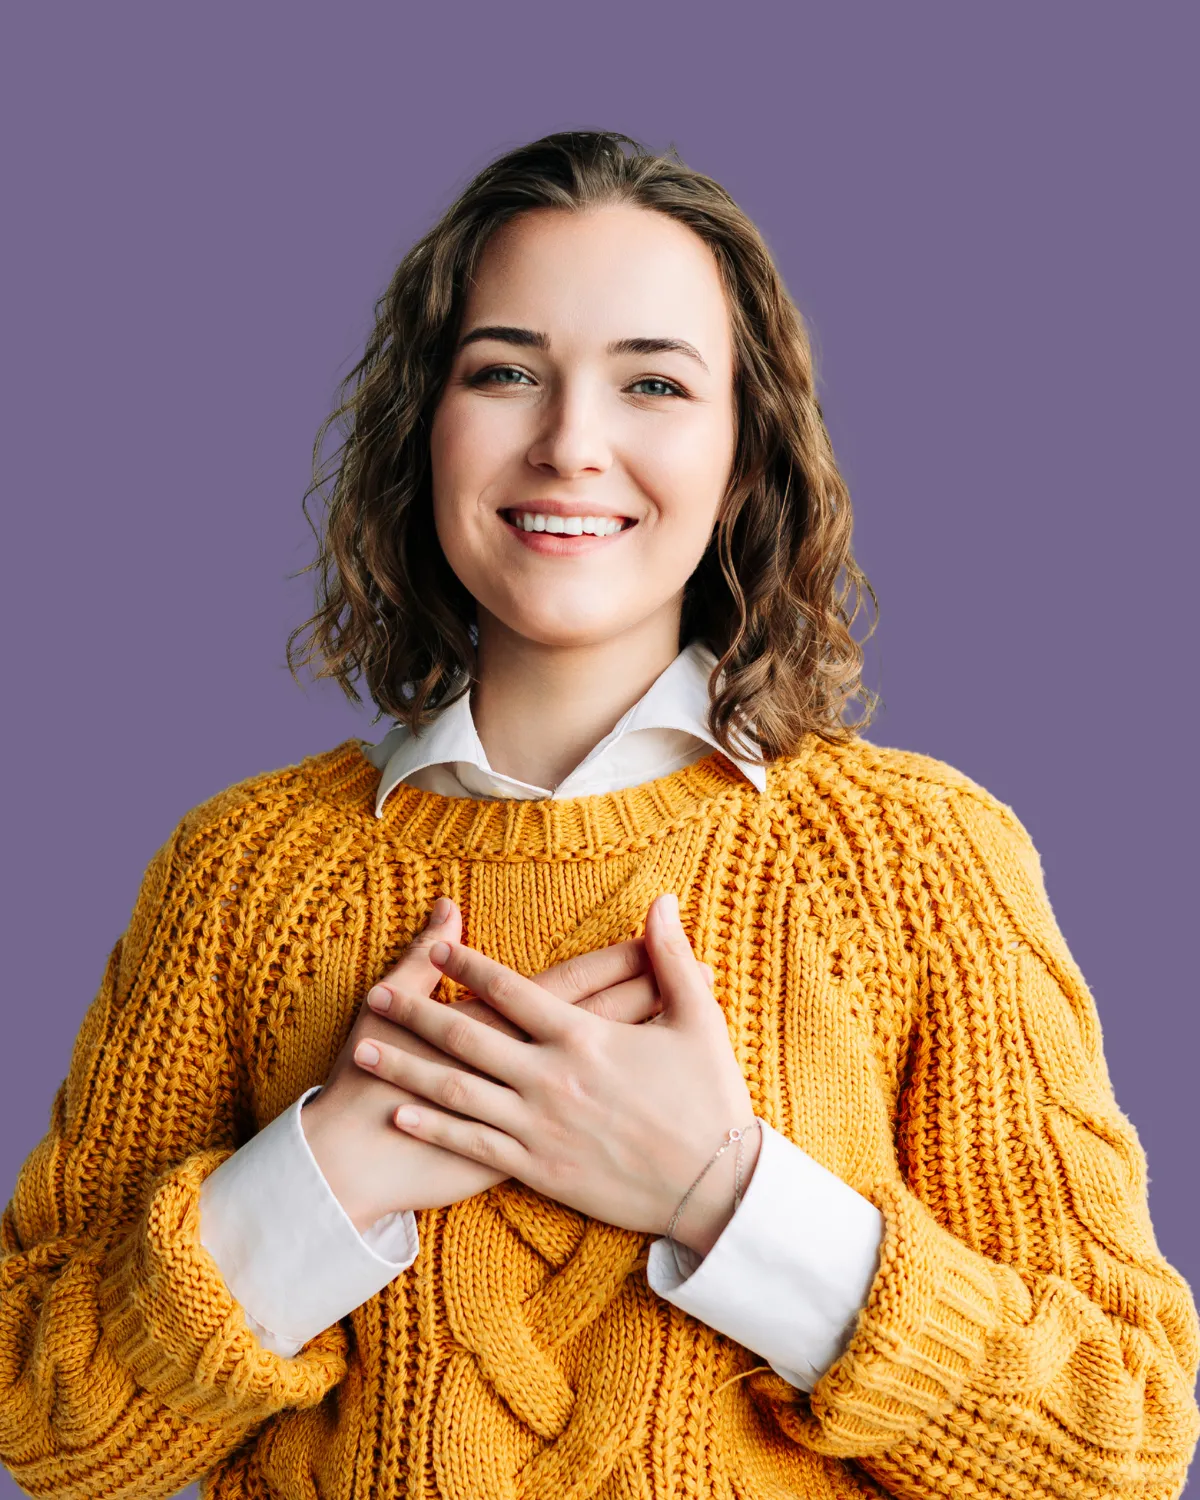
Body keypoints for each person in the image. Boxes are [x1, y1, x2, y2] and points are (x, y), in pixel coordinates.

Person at [1, 129, 1196, 1500]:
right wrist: (324, 1167)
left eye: (653, 383)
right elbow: (48, 1431)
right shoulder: (241, 874)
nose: (572, 443)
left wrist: (722, 1193)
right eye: (505, 371)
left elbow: (1122, 1442)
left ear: (746, 456)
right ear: (424, 429)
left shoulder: (918, 856)